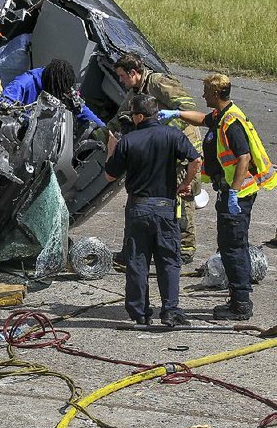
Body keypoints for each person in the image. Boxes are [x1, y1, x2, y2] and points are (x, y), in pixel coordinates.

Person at [158, 74, 277, 320]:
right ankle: (237, 299)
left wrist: (233, 192)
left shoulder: (231, 123)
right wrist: (177, 114)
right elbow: (202, 119)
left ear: (214, 94)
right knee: (230, 246)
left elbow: (243, 158)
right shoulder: (223, 115)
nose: (202, 95)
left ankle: (241, 304)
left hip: (238, 195)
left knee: (233, 248)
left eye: (205, 91)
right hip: (232, 192)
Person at [105, 95, 201, 326]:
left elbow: (110, 175)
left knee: (137, 261)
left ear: (138, 116)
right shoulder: (172, 135)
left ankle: (139, 313)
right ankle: (170, 310)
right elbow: (196, 160)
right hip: (165, 207)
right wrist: (185, 184)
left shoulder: (129, 140)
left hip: (138, 207)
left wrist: (111, 150)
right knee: (169, 260)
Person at [108, 52, 202, 264]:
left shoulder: (159, 82)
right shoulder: (136, 91)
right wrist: (103, 132)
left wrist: (165, 132)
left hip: (182, 146)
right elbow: (120, 116)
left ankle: (186, 246)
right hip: (163, 146)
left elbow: (187, 108)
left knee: (182, 193)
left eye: (122, 76)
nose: (121, 81)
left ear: (134, 72)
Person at [0, 59, 105, 127]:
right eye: (59, 91)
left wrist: (104, 131)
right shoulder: (25, 83)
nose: (61, 94)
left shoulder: (63, 86)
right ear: (53, 84)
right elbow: (4, 102)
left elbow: (82, 110)